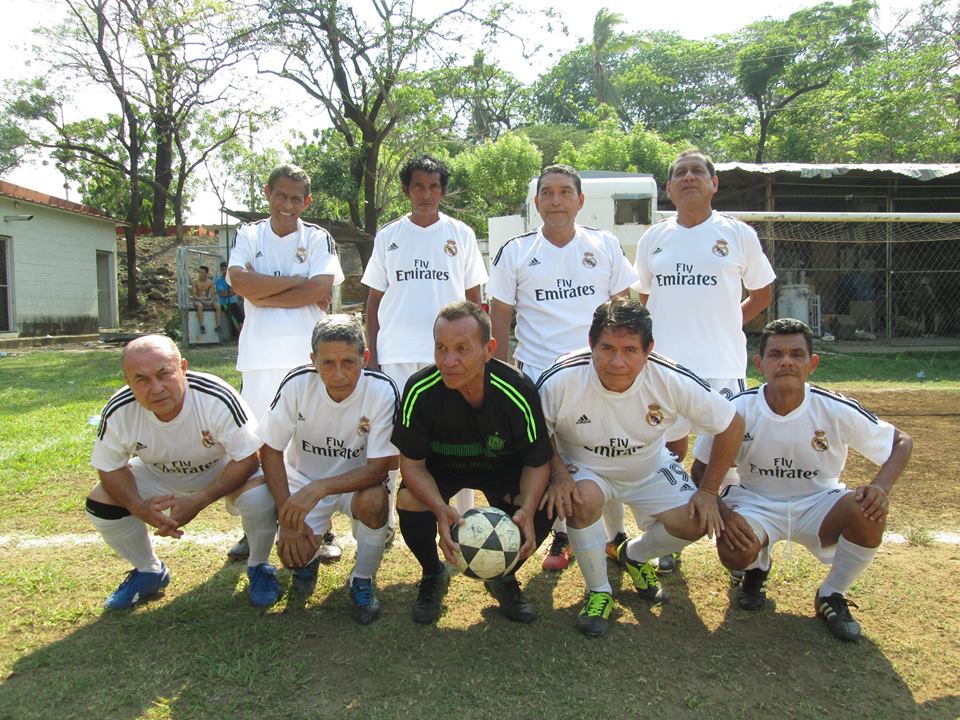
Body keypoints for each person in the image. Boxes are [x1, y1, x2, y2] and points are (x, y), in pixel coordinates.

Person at [691, 319, 912, 641]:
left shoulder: (833, 408)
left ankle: (831, 594)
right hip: (755, 501)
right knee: (734, 550)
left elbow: (901, 442)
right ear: (759, 363)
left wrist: (880, 487)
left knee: (867, 510)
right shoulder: (737, 409)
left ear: (813, 363)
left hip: (819, 502)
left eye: (797, 354)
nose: (786, 361)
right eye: (776, 354)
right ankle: (755, 568)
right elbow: (700, 469)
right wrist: (726, 513)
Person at [537, 298, 744, 637]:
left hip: (648, 469)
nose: (617, 361)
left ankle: (632, 555)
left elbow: (732, 424)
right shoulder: (562, 377)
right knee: (580, 499)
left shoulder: (670, 377)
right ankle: (599, 591)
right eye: (607, 348)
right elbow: (535, 430)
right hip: (588, 472)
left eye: (630, 350)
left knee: (696, 520)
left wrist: (708, 492)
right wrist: (558, 473)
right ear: (591, 344)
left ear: (648, 350)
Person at [486, 164, 639, 572]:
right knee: (552, 456)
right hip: (539, 374)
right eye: (547, 193)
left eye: (565, 192)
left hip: (598, 372)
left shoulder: (604, 245)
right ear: (537, 202)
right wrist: (499, 375)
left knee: (605, 449)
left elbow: (624, 310)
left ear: (580, 200)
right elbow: (499, 318)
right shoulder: (516, 252)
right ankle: (560, 534)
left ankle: (616, 534)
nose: (556, 200)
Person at [632, 148, 775, 573]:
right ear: (669, 188)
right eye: (680, 173)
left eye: (698, 172)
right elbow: (644, 300)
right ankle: (671, 538)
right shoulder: (653, 238)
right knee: (667, 449)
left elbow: (763, 293)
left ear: (713, 184)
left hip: (720, 367)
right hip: (665, 370)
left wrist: (732, 321)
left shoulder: (737, 234)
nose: (689, 177)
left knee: (723, 455)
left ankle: (736, 544)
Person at [85, 335, 280, 610]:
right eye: (141, 379)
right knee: (101, 502)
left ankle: (259, 566)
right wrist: (138, 507)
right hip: (159, 475)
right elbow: (109, 467)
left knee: (260, 496)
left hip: (224, 470)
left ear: (183, 368)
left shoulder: (214, 396)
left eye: (164, 374)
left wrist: (200, 500)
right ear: (128, 382)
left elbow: (248, 458)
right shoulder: (120, 409)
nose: (156, 388)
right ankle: (148, 571)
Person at [392, 301, 554, 624]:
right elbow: (411, 465)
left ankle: (503, 575)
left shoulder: (518, 390)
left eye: (462, 349)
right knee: (409, 500)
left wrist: (526, 508)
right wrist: (439, 509)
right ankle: (433, 574)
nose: (448, 361)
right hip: (443, 470)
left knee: (543, 504)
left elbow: (537, 463)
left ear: (488, 349)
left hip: (501, 471)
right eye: (441, 348)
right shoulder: (418, 390)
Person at [226, 164, 345, 563]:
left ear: (306, 202)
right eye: (282, 195)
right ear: (268, 193)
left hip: (305, 357)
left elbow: (321, 287)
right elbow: (239, 283)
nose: (288, 204)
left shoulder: (317, 237)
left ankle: (320, 527)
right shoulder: (249, 234)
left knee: (308, 443)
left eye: (297, 198)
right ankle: (255, 526)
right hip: (259, 358)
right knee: (260, 443)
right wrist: (297, 284)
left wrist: (264, 290)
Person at [362, 155, 488, 530]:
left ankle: (466, 522)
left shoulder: (460, 234)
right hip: (398, 354)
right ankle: (381, 522)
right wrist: (373, 355)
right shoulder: (389, 236)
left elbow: (474, 298)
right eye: (419, 185)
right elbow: (374, 301)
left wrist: (479, 353)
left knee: (459, 437)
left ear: (443, 192)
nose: (426, 193)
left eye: (434, 186)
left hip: (453, 358)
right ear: (406, 190)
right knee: (394, 442)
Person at [258, 315, 398, 624]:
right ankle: (311, 554)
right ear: (313, 360)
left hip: (357, 486)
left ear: (365, 357)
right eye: (327, 363)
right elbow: (269, 450)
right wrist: (287, 514)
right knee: (293, 560)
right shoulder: (297, 385)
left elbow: (379, 468)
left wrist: (320, 488)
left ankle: (362, 580)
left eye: (349, 362)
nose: (338, 374)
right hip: (304, 482)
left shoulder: (382, 391)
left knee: (375, 503)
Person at [190, 265, 221, 336]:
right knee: (200, 306)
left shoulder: (210, 282)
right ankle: (202, 326)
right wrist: (203, 301)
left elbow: (212, 295)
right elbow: (194, 296)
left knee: (218, 305)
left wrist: (211, 301)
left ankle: (218, 326)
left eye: (202, 272)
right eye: (199, 272)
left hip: (207, 299)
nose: (200, 274)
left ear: (206, 273)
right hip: (198, 300)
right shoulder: (195, 282)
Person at [215, 260, 244, 336]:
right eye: (223, 269)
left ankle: (242, 334)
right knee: (233, 318)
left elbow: (236, 290)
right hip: (224, 303)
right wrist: (232, 292)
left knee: (240, 317)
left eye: (226, 269)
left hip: (233, 302)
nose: (224, 271)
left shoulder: (232, 279)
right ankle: (239, 334)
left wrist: (230, 292)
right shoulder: (219, 280)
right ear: (221, 270)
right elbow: (222, 294)